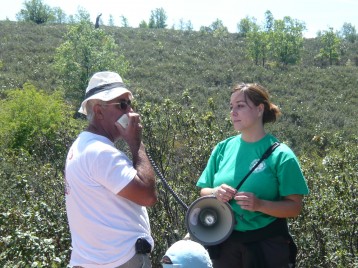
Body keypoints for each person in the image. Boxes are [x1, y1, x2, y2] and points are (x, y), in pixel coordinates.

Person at [196, 83, 309, 268]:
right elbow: (203, 190)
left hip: (266, 247)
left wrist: (260, 205)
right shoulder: (222, 149)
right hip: (224, 245)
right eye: (231, 107)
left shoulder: (281, 155)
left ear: (259, 109)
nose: (233, 112)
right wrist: (215, 192)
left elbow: (294, 207)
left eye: (240, 106)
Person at [65, 71, 158, 268]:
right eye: (122, 105)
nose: (131, 112)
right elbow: (148, 195)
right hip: (120, 260)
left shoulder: (82, 146)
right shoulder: (100, 152)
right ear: (99, 112)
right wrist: (136, 144)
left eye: (129, 103)